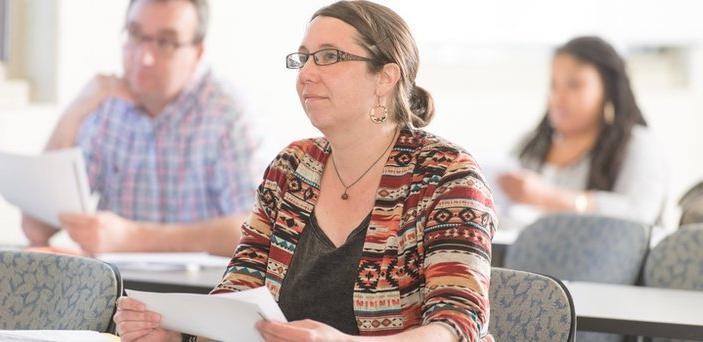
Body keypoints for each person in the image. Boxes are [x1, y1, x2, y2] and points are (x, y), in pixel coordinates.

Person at [113, 1, 497, 341]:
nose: (306, 74)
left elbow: (458, 325)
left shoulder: (447, 175)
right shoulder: (292, 168)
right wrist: (179, 334)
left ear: (386, 77)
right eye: (303, 58)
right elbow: (239, 294)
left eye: (328, 57)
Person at [21, 0, 258, 257]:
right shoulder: (107, 106)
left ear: (197, 54)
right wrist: (74, 112)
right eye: (135, 35)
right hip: (114, 288)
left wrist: (132, 238)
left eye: (166, 42)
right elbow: (36, 228)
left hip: (201, 291)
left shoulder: (227, 113)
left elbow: (254, 232)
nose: (144, 57)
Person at [498, 36, 667, 228]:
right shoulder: (529, 145)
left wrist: (549, 198)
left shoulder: (637, 144)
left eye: (574, 85)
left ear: (609, 90)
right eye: (554, 85)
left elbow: (638, 215)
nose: (558, 98)